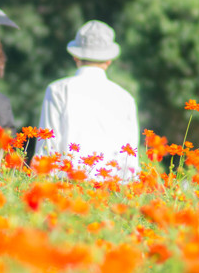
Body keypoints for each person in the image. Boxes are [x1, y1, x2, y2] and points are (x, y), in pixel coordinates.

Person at [36, 20, 139, 181]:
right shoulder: (125, 98)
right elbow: (130, 161)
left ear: (75, 56)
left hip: (66, 191)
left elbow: (47, 150)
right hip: (112, 193)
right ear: (109, 60)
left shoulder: (58, 90)